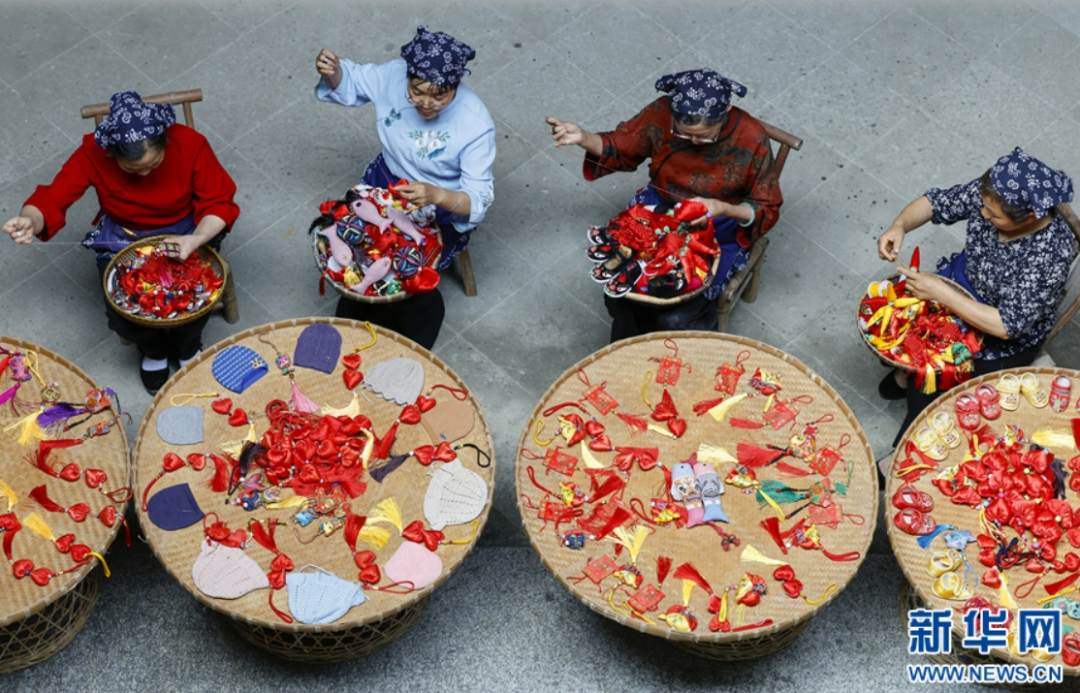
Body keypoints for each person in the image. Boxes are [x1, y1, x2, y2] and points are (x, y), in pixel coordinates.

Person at [1, 91, 240, 394]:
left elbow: (218, 201)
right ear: (112, 154)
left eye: (153, 163)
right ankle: (154, 351)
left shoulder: (190, 143)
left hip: (186, 230)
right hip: (124, 234)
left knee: (195, 299)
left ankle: (187, 346)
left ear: (164, 141)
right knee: (122, 313)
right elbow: (52, 196)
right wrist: (29, 220)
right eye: (132, 168)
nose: (144, 173)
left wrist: (197, 239)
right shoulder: (93, 153)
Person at [546, 68, 783, 342]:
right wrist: (583, 137)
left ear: (727, 111)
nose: (695, 143)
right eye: (685, 135)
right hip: (659, 210)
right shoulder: (661, 113)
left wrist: (723, 208)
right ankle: (627, 353)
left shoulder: (752, 138)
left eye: (704, 136)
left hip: (718, 223)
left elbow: (767, 207)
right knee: (621, 299)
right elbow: (623, 145)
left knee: (676, 318)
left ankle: (685, 341)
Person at [876, 147, 1075, 461]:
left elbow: (1006, 326)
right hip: (960, 285)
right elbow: (935, 203)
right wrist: (899, 225)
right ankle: (906, 375)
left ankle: (904, 452)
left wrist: (940, 293)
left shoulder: (1050, 254)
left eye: (994, 216)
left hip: (996, 332)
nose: (983, 214)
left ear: (1030, 217)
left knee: (932, 377)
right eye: (984, 206)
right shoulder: (994, 195)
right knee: (893, 322)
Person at [314, 26, 496, 350]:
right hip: (386, 183)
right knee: (361, 249)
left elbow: (478, 198)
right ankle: (365, 305)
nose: (426, 103)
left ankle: (400, 317)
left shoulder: (475, 124)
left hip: (441, 205)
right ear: (408, 77)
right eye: (417, 91)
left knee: (404, 268)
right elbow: (351, 80)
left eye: (440, 95)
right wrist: (334, 71)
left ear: (457, 85)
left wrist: (436, 195)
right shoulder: (393, 76)